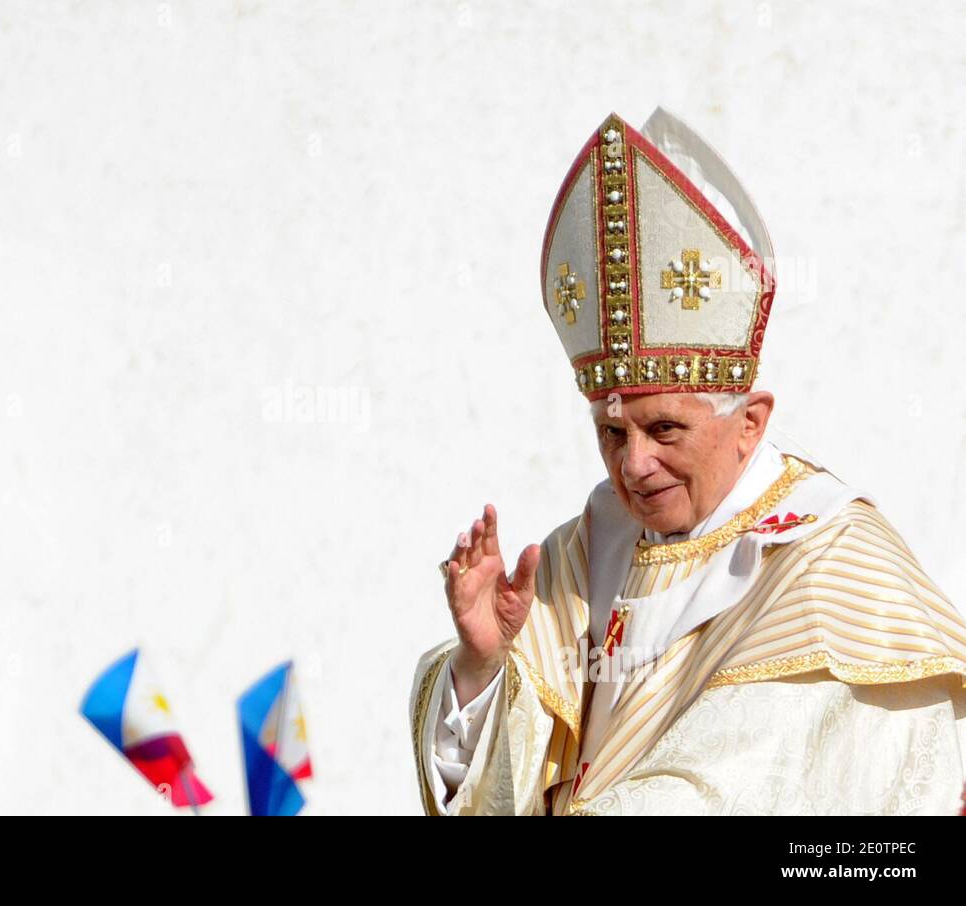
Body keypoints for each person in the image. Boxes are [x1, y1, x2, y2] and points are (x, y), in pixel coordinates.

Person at [409, 107, 966, 816]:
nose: (633, 464)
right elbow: (490, 791)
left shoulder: (833, 560)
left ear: (750, 423)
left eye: (664, 428)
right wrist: (485, 663)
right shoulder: (587, 551)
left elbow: (737, 792)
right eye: (612, 432)